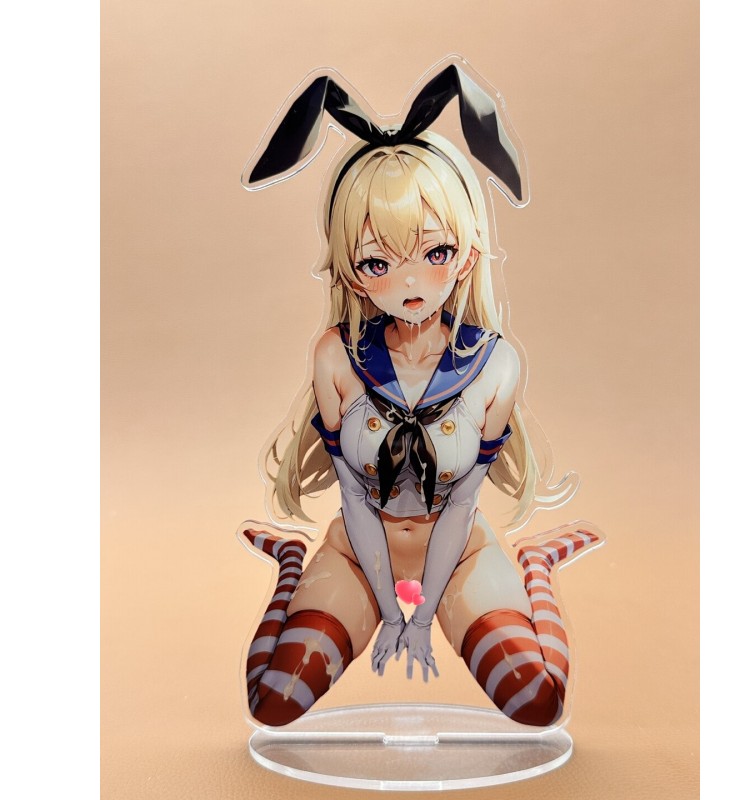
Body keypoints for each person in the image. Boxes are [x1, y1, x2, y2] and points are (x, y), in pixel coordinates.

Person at [240, 65, 598, 728]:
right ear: (351, 272)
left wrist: (423, 616)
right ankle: (291, 562)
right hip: (358, 552)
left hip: (459, 553)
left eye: (434, 253)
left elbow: (461, 504)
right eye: (378, 262)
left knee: (538, 700)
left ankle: (537, 565)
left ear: (467, 255)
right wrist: (386, 607)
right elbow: (354, 498)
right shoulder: (336, 356)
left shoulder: (494, 365)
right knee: (273, 699)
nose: (409, 283)